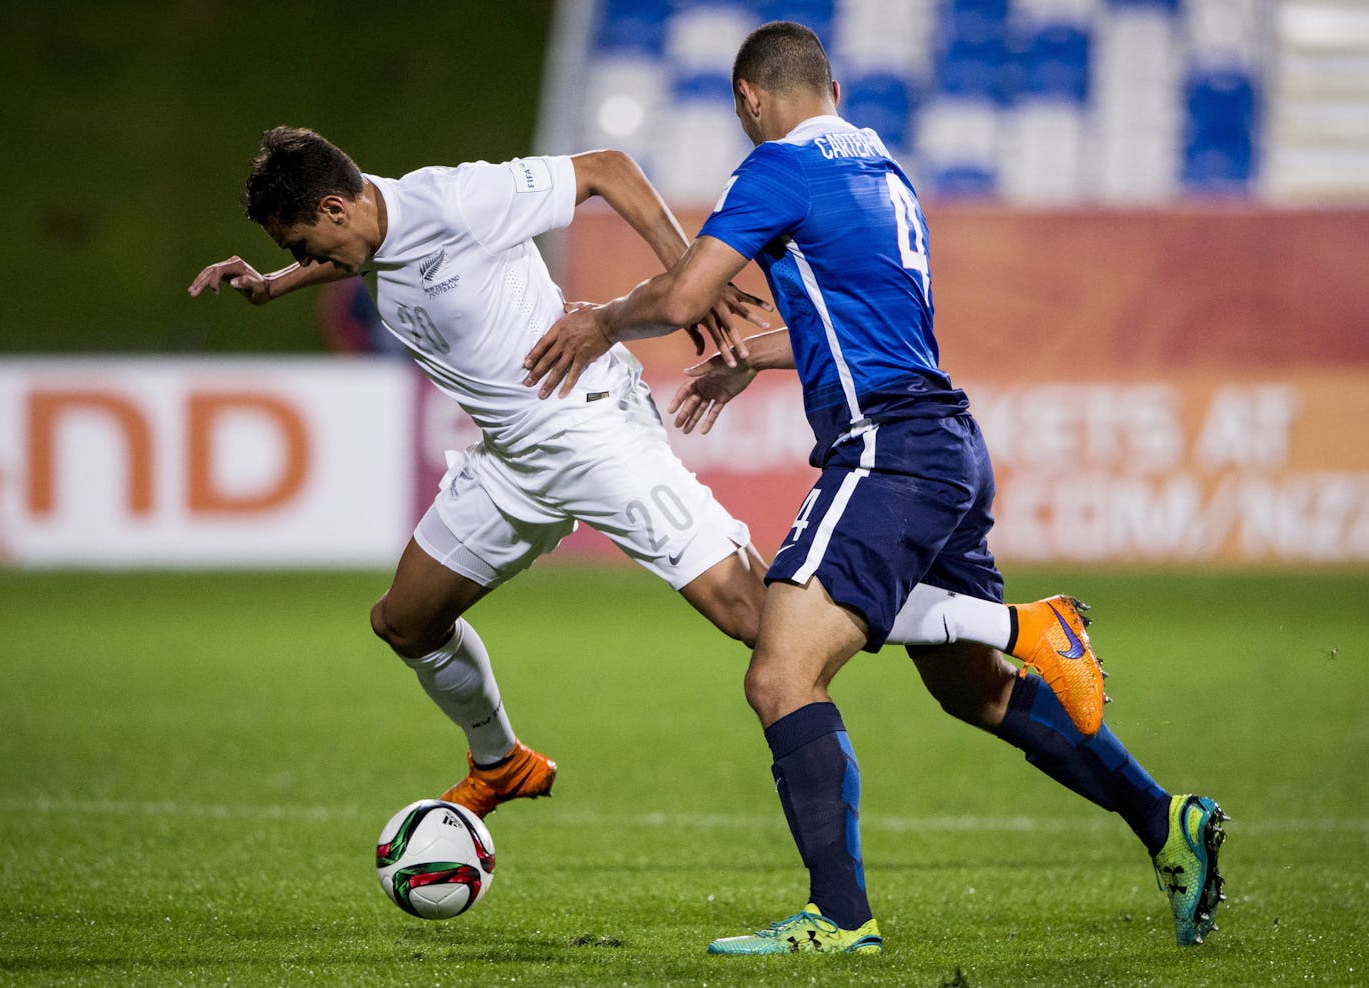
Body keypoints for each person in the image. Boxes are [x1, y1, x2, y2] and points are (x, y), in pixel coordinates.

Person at [189, 127, 1117, 834]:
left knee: (766, 624)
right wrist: (277, 283)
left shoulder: (459, 200)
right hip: (512, 462)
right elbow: (373, 257)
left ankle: (1022, 627)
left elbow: (606, 169)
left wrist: (688, 273)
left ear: (341, 208)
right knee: (406, 620)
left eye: (307, 241)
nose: (314, 258)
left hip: (593, 431)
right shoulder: (367, 230)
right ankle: (500, 761)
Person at [525, 21, 1225, 954]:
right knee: (976, 697)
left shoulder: (778, 166)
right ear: (835, 92)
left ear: (749, 100)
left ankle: (841, 917)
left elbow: (687, 295)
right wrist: (758, 358)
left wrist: (605, 319)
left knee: (781, 673)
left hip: (886, 449)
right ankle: (1162, 818)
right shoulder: (884, 173)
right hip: (944, 447)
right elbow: (868, 329)